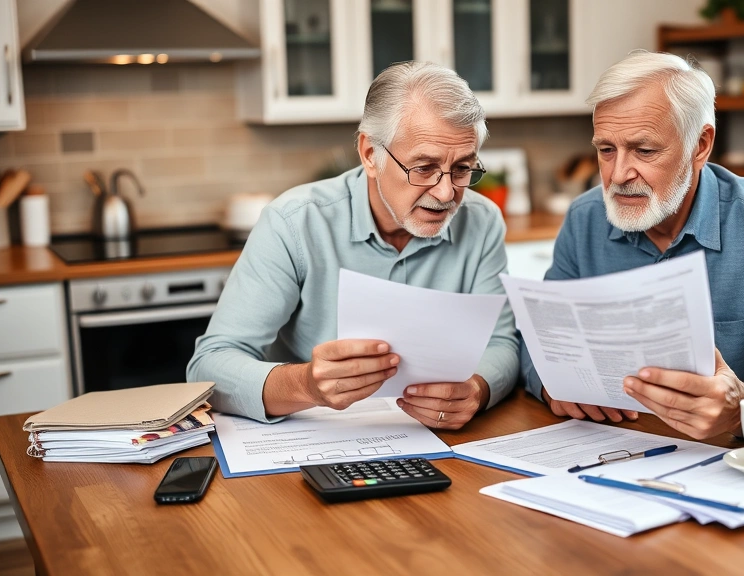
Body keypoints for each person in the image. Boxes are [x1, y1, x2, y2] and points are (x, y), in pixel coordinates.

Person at [520, 51, 744, 439]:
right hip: (608, 447)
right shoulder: (585, 218)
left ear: (700, 146)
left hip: (729, 457)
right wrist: (548, 384)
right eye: (606, 149)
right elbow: (538, 340)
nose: (618, 174)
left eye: (644, 150)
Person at [189, 62, 518, 429]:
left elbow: (502, 343)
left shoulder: (483, 220)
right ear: (369, 154)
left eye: (462, 169)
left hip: (441, 440)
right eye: (423, 168)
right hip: (315, 440)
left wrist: (477, 389)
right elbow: (209, 366)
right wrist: (307, 384)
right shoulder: (294, 222)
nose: (446, 193)